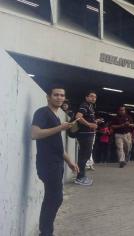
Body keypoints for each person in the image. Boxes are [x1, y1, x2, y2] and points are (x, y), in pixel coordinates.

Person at [31, 86, 79, 236]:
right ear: (48, 97)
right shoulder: (42, 113)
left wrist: (70, 161)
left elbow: (57, 143)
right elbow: (35, 134)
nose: (59, 97)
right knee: (55, 198)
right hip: (47, 163)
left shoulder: (57, 116)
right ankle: (46, 232)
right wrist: (59, 128)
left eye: (62, 95)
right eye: (56, 95)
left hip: (57, 162)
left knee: (52, 198)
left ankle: (45, 231)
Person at [74, 90, 98, 186]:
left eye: (95, 97)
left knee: (85, 155)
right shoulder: (84, 105)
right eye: (91, 96)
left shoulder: (90, 107)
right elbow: (78, 116)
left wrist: (94, 123)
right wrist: (89, 125)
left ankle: (82, 175)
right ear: (86, 97)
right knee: (83, 156)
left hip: (88, 134)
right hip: (85, 134)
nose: (93, 98)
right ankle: (79, 177)